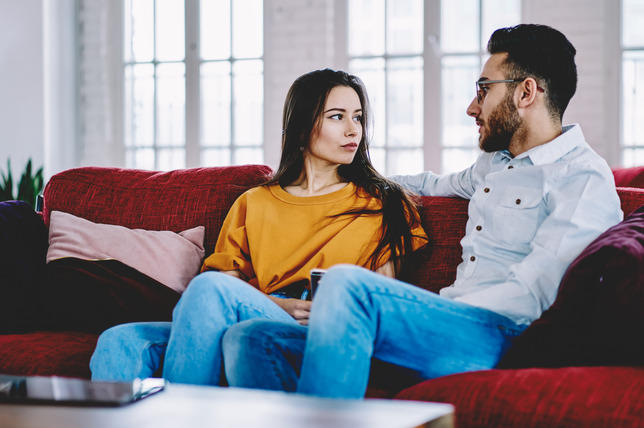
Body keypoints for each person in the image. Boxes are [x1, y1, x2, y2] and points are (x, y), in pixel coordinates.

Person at [220, 23, 624, 398]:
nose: (472, 106)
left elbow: (535, 294)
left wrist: (438, 310)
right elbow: (429, 184)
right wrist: (349, 184)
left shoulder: (582, 179)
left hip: (504, 335)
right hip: (447, 326)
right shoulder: (496, 165)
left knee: (346, 285)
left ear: (526, 92)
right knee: (252, 338)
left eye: (483, 89)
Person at [89, 69, 428, 385]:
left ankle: (183, 422)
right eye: (337, 117)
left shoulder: (383, 203)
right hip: (257, 308)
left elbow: (381, 300)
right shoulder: (255, 202)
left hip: (320, 326)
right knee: (118, 341)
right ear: (301, 127)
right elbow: (227, 286)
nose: (353, 130)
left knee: (212, 292)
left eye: (358, 118)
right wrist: (278, 305)